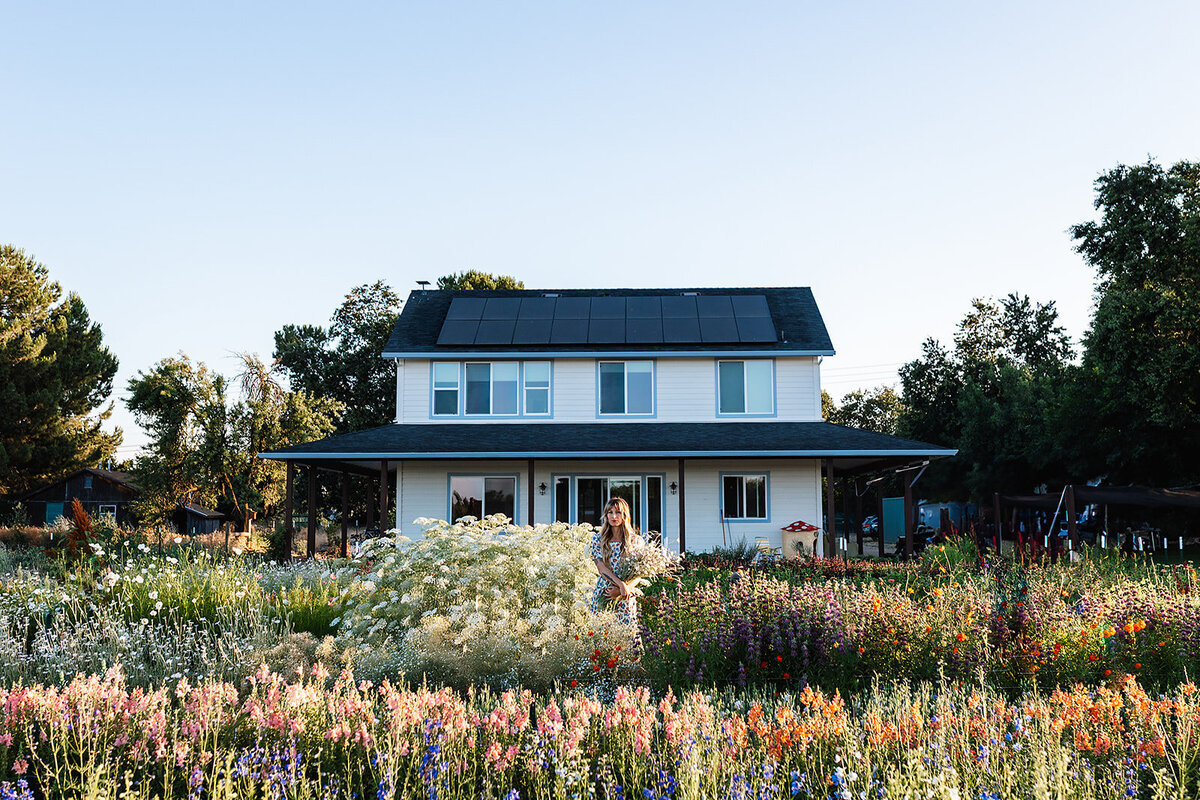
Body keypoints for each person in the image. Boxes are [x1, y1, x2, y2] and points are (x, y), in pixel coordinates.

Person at [589, 496, 642, 625]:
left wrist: (624, 589)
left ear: (624, 515)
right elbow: (601, 569)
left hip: (626, 595)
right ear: (606, 515)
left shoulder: (635, 541)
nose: (614, 516)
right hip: (605, 592)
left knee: (627, 637)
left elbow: (639, 573)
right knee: (602, 635)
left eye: (618, 512)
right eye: (610, 512)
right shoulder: (598, 540)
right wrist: (621, 585)